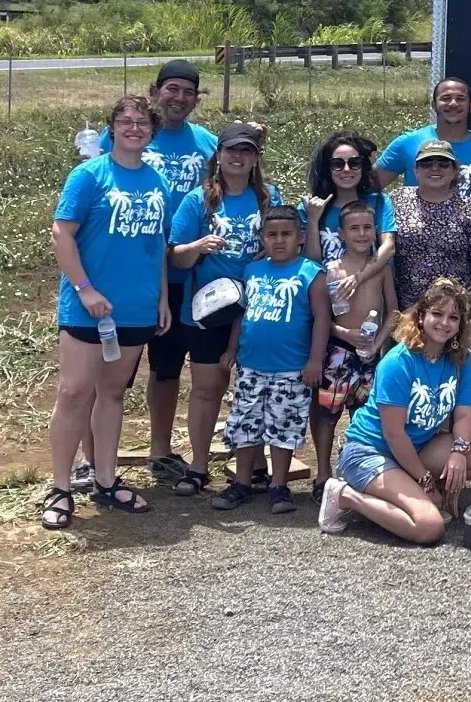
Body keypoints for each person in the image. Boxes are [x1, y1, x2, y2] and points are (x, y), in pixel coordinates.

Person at [41, 95, 172, 529]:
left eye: (142, 123)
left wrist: (161, 299)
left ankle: (106, 479)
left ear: (152, 131)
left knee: (113, 394)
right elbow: (62, 233)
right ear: (112, 129)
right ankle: (60, 487)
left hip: (135, 308)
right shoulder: (89, 176)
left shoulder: (158, 182)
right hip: (88, 307)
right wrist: (84, 288)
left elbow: (157, 247)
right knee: (75, 393)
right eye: (125, 121)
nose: (134, 128)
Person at [96, 59, 217, 488]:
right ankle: (91, 459)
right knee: (109, 373)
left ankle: (160, 451)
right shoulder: (133, 135)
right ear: (156, 90)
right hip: (130, 273)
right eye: (172, 89)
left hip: (185, 276)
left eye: (188, 91)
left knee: (166, 367)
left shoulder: (206, 143)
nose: (179, 98)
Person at [317, 277, 471, 543]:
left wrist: (459, 452)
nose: (444, 323)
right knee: (429, 527)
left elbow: (463, 413)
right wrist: (426, 480)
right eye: (437, 314)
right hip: (371, 451)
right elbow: (394, 434)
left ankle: (412, 489)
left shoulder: (462, 358)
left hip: (417, 447)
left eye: (454, 317)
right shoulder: (398, 362)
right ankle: (345, 496)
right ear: (421, 316)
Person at [164, 121, 282, 498]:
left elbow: (286, 241)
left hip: (259, 307)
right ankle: (198, 466)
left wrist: (274, 249)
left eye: (246, 151)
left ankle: (256, 466)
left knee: (259, 388)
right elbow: (176, 257)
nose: (238, 157)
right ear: (218, 155)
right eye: (231, 150)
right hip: (208, 308)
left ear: (255, 159)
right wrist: (198, 246)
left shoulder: (269, 198)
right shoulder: (199, 200)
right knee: (207, 387)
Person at [210, 206, 329, 516]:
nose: (279, 241)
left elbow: (321, 319)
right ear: (262, 237)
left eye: (286, 234)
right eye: (272, 234)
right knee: (246, 425)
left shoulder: (310, 272)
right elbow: (241, 315)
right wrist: (232, 349)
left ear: (300, 238)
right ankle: (242, 482)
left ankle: (279, 485)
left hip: (292, 368)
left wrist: (315, 360)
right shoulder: (253, 270)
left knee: (282, 428)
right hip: (251, 366)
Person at [309, 199, 395, 499]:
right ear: (341, 234)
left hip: (369, 356)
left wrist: (379, 341)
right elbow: (321, 317)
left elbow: (394, 311)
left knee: (364, 414)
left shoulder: (381, 270)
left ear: (375, 231)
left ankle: (358, 471)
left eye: (367, 227)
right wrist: (344, 332)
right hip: (337, 353)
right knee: (325, 412)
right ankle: (322, 474)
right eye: (354, 228)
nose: (361, 234)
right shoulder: (330, 270)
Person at [387, 141, 471, 320]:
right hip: (407, 313)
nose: (435, 168)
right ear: (416, 170)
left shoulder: (470, 208)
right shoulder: (396, 200)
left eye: (443, 163)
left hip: (454, 315)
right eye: (426, 163)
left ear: (454, 170)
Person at [302, 130, 397, 276]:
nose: (346, 170)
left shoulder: (378, 201)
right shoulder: (310, 207)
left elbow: (388, 247)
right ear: (327, 169)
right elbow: (311, 266)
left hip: (370, 292)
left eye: (354, 163)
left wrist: (358, 278)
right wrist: (313, 221)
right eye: (337, 164)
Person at [373, 78, 471, 194]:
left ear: (470, 106)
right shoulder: (408, 142)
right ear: (434, 105)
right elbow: (368, 187)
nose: (453, 104)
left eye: (460, 99)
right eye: (446, 98)